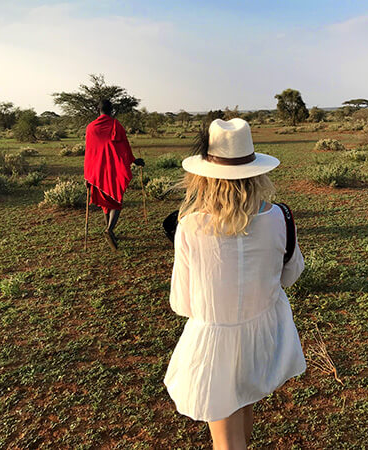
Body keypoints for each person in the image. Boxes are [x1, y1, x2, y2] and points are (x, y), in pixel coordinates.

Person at [164, 118, 306, 449]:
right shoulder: (280, 217)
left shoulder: (190, 226)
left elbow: (181, 303)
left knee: (227, 442)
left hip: (215, 343)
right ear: (256, 170)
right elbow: (290, 274)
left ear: (202, 175)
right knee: (243, 413)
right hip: (262, 332)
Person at [83, 99, 144, 250]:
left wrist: (87, 175)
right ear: (112, 110)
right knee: (116, 200)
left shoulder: (90, 128)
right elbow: (125, 149)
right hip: (114, 169)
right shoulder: (116, 125)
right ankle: (109, 230)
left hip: (96, 171)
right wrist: (134, 161)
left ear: (98, 110)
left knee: (105, 201)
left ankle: (110, 229)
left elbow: (89, 153)